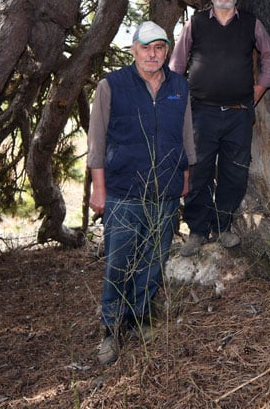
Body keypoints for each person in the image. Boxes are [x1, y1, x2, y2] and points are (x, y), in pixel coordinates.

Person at [87, 21, 195, 365]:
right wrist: (99, 191)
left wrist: (186, 175)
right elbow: (96, 142)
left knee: (153, 261)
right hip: (122, 192)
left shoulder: (180, 86)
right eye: (146, 47)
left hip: (165, 191)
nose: (153, 54)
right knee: (118, 263)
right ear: (133, 49)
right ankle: (111, 329)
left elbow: (186, 135)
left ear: (167, 50)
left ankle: (139, 319)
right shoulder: (112, 85)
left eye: (160, 47)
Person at [171, 0, 270, 256]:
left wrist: (261, 87)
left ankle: (222, 227)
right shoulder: (195, 24)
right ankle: (196, 230)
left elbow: (269, 55)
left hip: (238, 113)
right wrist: (176, 100)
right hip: (200, 113)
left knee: (234, 173)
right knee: (199, 171)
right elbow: (176, 66)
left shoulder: (251, 24)